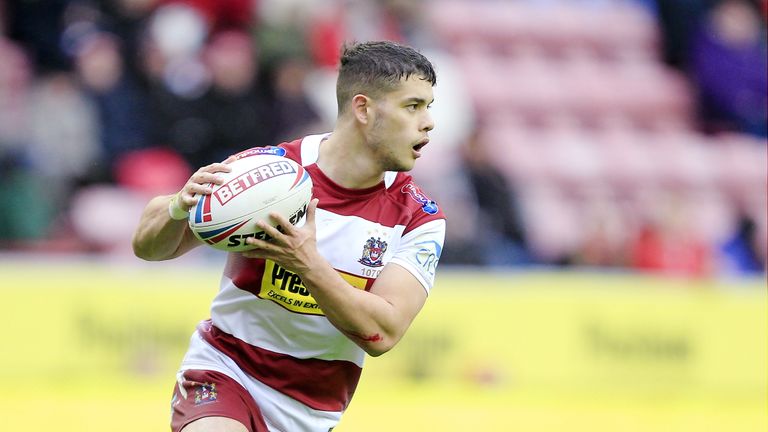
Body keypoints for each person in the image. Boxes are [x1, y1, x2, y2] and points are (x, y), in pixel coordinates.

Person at [132, 40, 446, 432]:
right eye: (412, 106)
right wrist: (179, 206)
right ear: (363, 108)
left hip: (313, 413)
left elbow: (383, 333)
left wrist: (307, 263)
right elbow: (148, 248)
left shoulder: (418, 218)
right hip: (227, 372)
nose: (429, 121)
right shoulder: (270, 174)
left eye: (428, 107)